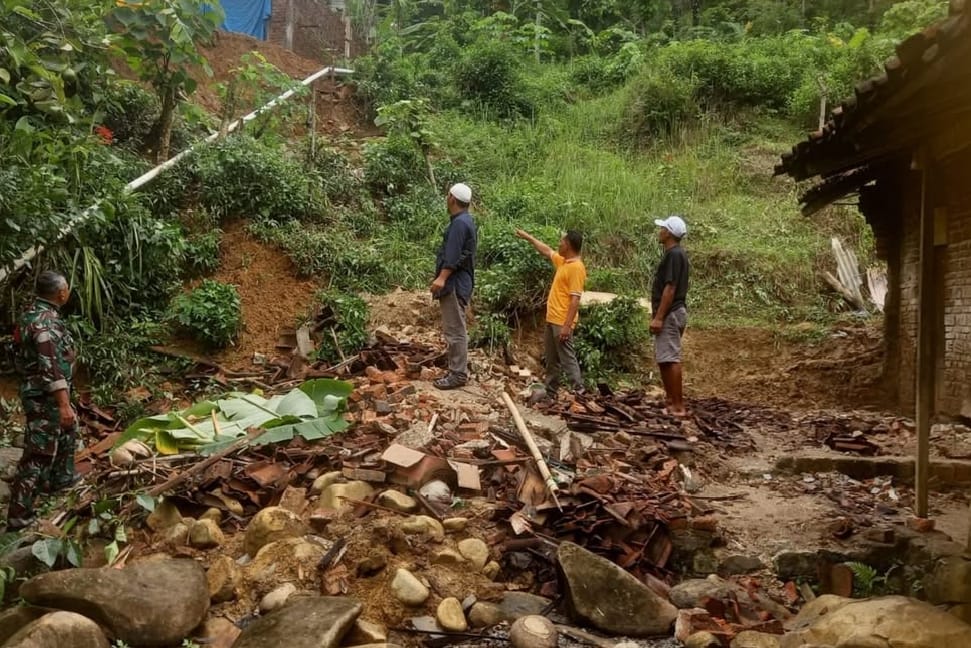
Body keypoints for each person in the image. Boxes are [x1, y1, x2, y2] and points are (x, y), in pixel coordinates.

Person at [8, 271, 79, 530]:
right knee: (38, 453)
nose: (68, 291)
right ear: (61, 293)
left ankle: (62, 480)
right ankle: (19, 515)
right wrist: (62, 404)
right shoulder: (45, 323)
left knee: (68, 432)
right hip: (45, 396)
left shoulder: (30, 314)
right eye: (67, 288)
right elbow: (50, 366)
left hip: (43, 392)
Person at [515, 229, 587, 398]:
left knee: (567, 358)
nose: (559, 244)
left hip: (562, 321)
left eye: (561, 241)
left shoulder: (576, 268)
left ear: (568, 244)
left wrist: (567, 326)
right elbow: (547, 251)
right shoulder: (564, 262)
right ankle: (551, 392)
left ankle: (580, 391)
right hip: (552, 319)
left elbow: (575, 299)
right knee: (551, 359)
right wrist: (529, 237)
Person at [430, 183, 478, 390]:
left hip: (455, 283)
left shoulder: (459, 224)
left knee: (455, 329)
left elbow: (454, 255)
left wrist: (441, 278)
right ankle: (456, 369)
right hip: (460, 282)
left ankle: (458, 374)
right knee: (454, 328)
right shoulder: (465, 221)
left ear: (451, 198)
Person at [651, 215, 690, 418]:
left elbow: (670, 287)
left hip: (671, 312)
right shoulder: (676, 254)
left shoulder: (674, 255)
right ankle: (670, 400)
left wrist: (659, 317)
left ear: (669, 233)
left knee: (671, 358)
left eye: (663, 228)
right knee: (664, 357)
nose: (660, 231)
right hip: (673, 312)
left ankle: (678, 406)